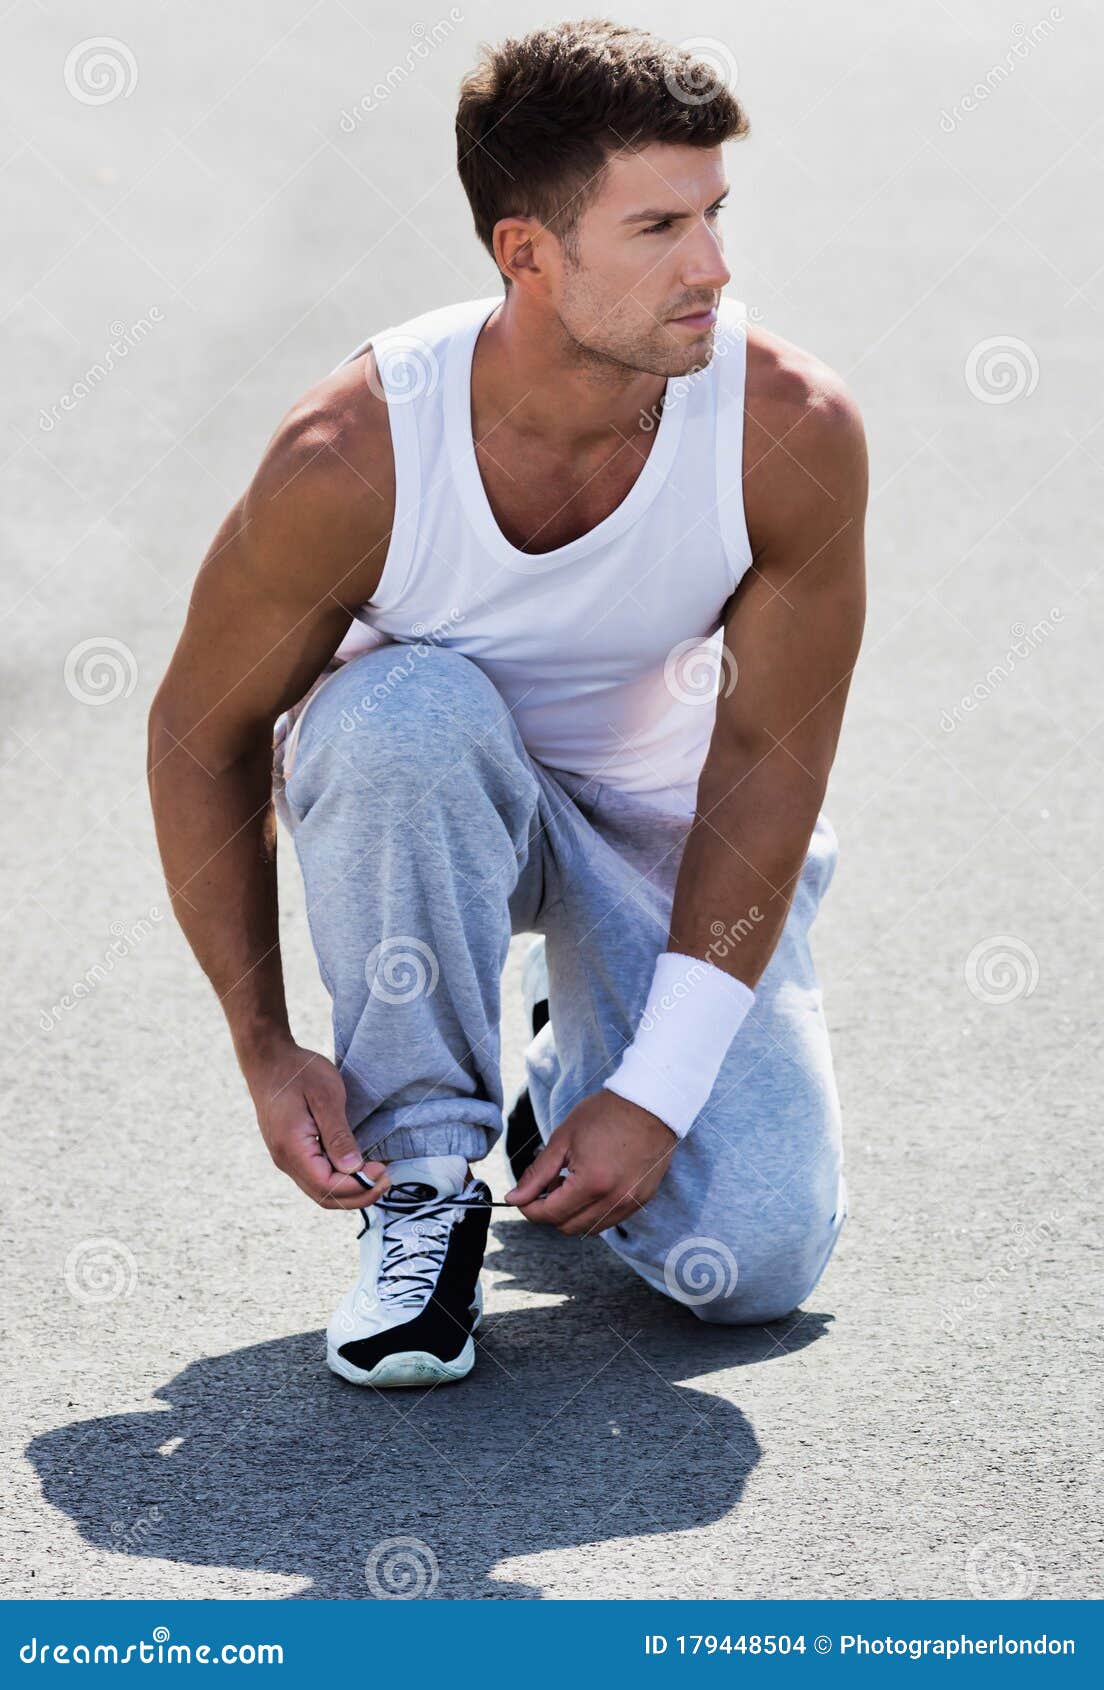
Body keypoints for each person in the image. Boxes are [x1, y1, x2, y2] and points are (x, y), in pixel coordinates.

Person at [148, 19, 867, 1388]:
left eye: (717, 213)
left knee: (757, 1262)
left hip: (664, 828)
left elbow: (770, 764)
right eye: (658, 225)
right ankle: (424, 1184)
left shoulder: (790, 430)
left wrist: (654, 1090)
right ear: (525, 253)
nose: (714, 265)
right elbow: (199, 730)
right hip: (431, 803)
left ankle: (575, 1049)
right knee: (402, 712)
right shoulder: (352, 455)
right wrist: (260, 1040)